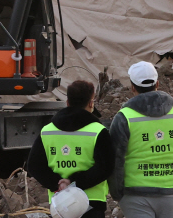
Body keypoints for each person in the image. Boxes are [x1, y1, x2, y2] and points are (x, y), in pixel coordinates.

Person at [108, 60, 173, 218]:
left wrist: (117, 193)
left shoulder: (124, 117)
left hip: (134, 195)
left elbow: (116, 159)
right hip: (170, 194)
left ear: (132, 87)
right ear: (157, 83)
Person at [28, 79, 114, 218]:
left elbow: (34, 166)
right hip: (92, 202)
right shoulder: (99, 131)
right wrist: (75, 183)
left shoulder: (47, 131)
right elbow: (106, 167)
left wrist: (58, 184)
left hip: (60, 205)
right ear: (91, 103)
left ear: (67, 102)